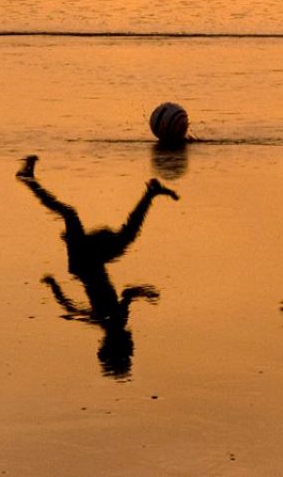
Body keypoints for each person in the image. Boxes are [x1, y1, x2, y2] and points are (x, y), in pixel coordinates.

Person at [16, 155, 177, 378]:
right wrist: (144, 292)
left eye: (129, 348)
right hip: (89, 261)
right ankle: (150, 194)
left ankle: (28, 179)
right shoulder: (115, 321)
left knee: (77, 217)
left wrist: (54, 286)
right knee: (115, 232)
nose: (132, 343)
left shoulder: (108, 320)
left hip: (85, 261)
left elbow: (72, 308)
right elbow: (126, 294)